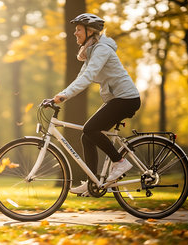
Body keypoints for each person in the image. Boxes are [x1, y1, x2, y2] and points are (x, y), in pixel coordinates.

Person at [53, 13, 141, 195]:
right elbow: (80, 77)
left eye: (78, 30)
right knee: (87, 135)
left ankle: (120, 162)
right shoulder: (92, 51)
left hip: (125, 99)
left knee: (90, 129)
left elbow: (88, 77)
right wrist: (61, 95)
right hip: (117, 99)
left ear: (89, 31)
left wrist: (64, 96)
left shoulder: (102, 49)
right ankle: (92, 180)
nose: (75, 33)